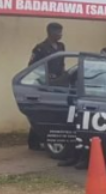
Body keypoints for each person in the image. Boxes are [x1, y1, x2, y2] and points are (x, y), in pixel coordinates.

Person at [27, 23, 66, 151]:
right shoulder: (40, 48)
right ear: (50, 32)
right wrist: (45, 78)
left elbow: (62, 64)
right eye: (58, 32)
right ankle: (34, 142)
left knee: (52, 114)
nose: (60, 35)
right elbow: (32, 67)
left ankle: (46, 140)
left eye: (61, 32)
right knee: (41, 113)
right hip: (44, 84)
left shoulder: (61, 46)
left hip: (57, 84)